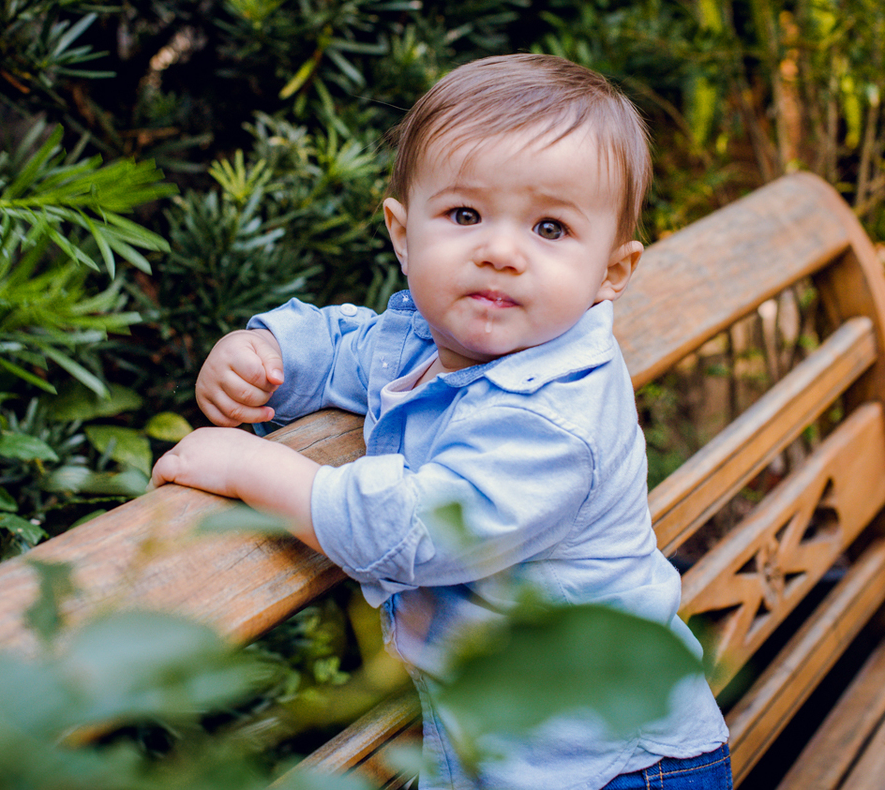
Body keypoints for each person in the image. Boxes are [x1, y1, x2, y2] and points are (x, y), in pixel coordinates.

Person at [150, 53, 731, 790]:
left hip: (613, 768)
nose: (499, 251)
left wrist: (246, 465)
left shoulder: (554, 414)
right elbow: (341, 346)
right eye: (465, 215)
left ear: (611, 273)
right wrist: (261, 353)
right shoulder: (427, 344)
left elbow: (417, 531)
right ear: (402, 231)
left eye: (550, 228)